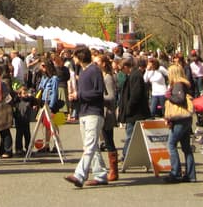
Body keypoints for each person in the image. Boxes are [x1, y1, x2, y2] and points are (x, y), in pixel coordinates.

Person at [64, 46, 108, 187]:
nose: (73, 59)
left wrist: (79, 95)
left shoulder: (94, 70)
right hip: (84, 111)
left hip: (94, 113)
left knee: (89, 146)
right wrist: (75, 97)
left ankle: (79, 175)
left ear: (80, 57)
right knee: (91, 146)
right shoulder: (82, 72)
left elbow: (99, 92)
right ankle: (100, 175)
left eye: (75, 56)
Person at [163, 63, 196, 183]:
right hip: (185, 118)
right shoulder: (183, 84)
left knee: (171, 144)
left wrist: (169, 97)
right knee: (186, 147)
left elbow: (180, 99)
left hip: (180, 119)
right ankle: (190, 174)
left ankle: (175, 172)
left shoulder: (177, 85)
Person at [117, 56, 149, 159]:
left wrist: (129, 108)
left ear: (126, 66)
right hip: (133, 111)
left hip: (135, 112)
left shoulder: (135, 76)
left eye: (122, 69)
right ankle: (127, 155)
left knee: (130, 135)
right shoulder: (134, 75)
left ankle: (126, 155)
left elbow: (136, 94)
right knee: (131, 134)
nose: (121, 71)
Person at [98, 52, 119, 180]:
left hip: (108, 113)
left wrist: (98, 96)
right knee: (107, 140)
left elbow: (111, 97)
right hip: (104, 111)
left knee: (109, 141)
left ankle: (113, 170)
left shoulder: (108, 78)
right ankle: (112, 170)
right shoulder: (103, 77)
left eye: (98, 63)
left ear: (104, 64)